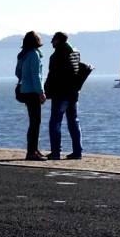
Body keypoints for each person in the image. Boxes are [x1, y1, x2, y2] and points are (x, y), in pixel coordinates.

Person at [43, 31, 83, 160]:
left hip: (60, 93)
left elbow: (52, 75)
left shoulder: (56, 56)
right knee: (73, 122)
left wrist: (46, 90)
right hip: (73, 93)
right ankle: (77, 151)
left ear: (58, 40)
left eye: (53, 39)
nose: (51, 42)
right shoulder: (75, 53)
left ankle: (56, 152)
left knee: (55, 122)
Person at [16, 32, 46, 161]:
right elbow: (36, 75)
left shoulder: (23, 55)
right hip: (33, 92)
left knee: (33, 122)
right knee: (35, 122)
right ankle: (31, 152)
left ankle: (34, 149)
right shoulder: (34, 54)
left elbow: (17, 73)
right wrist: (41, 92)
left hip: (24, 90)